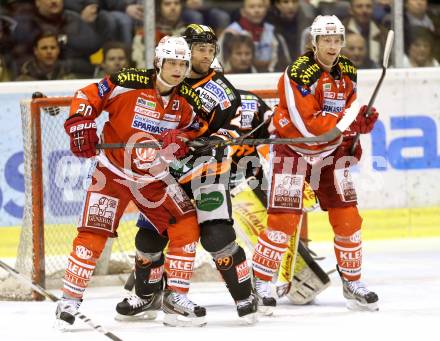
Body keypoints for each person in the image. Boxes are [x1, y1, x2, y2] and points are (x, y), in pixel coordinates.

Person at [115, 24, 268, 324]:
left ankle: (245, 295)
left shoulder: (222, 91)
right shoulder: (162, 79)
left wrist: (210, 139)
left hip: (207, 171)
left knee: (217, 237)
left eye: (211, 50)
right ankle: (148, 296)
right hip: (165, 174)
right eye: (200, 48)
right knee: (149, 238)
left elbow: (234, 129)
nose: (206, 55)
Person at [54, 36, 208, 328]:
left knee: (186, 223)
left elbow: (195, 128)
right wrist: (80, 125)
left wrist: (182, 139)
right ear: (158, 63)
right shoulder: (128, 81)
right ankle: (69, 300)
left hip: (153, 178)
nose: (177, 69)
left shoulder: (188, 99)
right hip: (112, 173)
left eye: (183, 64)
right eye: (171, 62)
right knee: (92, 234)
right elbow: (87, 96)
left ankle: (175, 297)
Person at [250, 15, 380, 312]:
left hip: (331, 152)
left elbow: (350, 110)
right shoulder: (297, 72)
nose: (333, 46)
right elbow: (306, 125)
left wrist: (360, 123)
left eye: (337, 40)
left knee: (349, 220)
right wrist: (348, 123)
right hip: (292, 150)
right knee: (282, 222)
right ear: (315, 42)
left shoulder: (348, 70)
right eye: (327, 41)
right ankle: (261, 281)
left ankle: (353, 282)